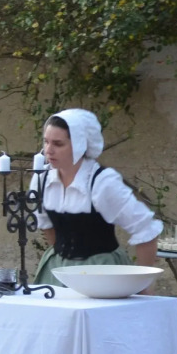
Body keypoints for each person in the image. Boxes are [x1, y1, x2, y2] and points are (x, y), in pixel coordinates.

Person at [34, 109, 162, 286]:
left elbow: (146, 229)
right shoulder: (42, 180)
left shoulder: (102, 182)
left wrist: (143, 284)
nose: (48, 150)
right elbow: (48, 227)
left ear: (79, 145)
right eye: (46, 142)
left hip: (101, 271)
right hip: (57, 271)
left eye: (58, 144)